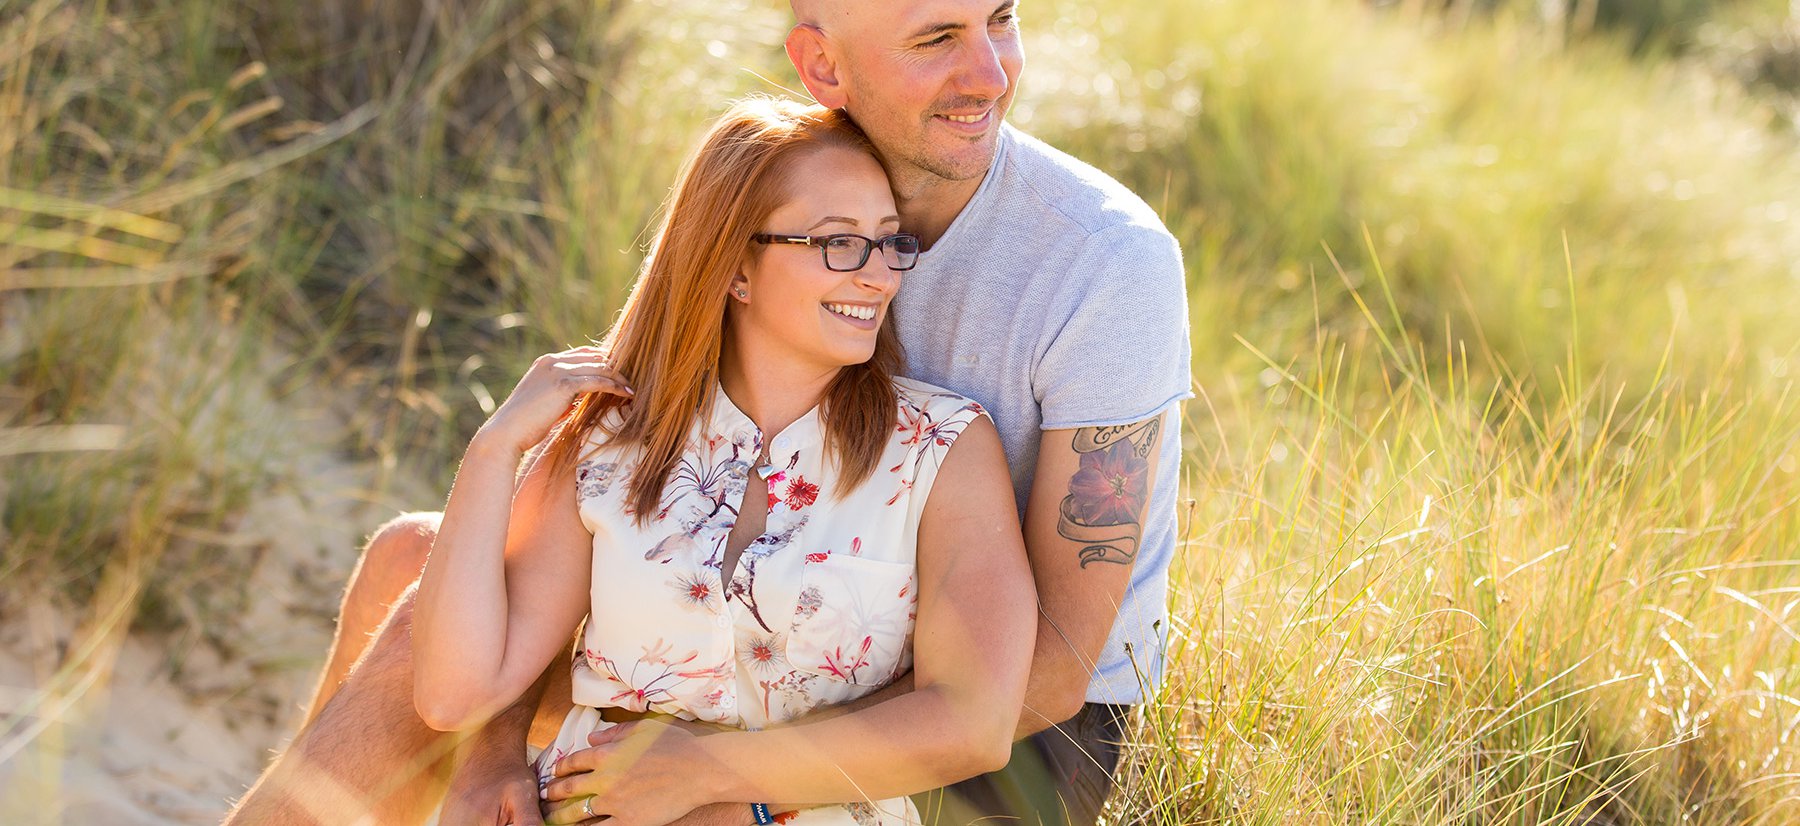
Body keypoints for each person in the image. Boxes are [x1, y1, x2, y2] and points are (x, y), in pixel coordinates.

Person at [226, 0, 1191, 823]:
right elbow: (631, 430)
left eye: (1003, 19)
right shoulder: (787, 181)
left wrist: (732, 770)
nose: (991, 72)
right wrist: (491, 747)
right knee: (412, 563)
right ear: (823, 64)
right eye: (934, 38)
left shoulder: (1102, 265)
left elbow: (1056, 668)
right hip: (756, 608)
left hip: (1013, 723)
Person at [408, 97, 1035, 825]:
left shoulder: (942, 447)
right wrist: (492, 452)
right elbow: (455, 693)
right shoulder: (611, 437)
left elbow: (975, 723)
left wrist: (710, 776)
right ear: (736, 265)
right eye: (839, 243)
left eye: (889, 243)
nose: (878, 277)